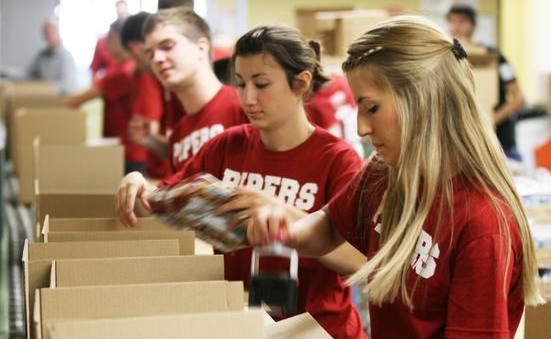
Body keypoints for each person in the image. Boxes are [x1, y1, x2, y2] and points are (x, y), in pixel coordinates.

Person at [247, 16, 542, 339]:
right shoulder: (383, 173)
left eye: (371, 108)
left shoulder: (482, 224)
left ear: (421, 103)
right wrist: (287, 229)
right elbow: (333, 224)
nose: (361, 128)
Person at [117, 25, 369, 339]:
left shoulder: (338, 160)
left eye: (261, 84)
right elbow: (165, 200)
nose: (248, 98)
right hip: (243, 327)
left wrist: (286, 220)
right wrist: (138, 184)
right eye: (240, 83)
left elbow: (361, 261)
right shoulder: (226, 147)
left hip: (318, 330)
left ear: (300, 83)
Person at [140, 8, 248, 172]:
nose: (157, 59)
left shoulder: (245, 106)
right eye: (150, 54)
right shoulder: (178, 135)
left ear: (201, 47)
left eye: (167, 46)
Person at [447, 4, 525, 161]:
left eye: (462, 21)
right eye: (452, 21)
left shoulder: (494, 57)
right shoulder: (447, 58)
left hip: (499, 142)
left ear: (473, 26)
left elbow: (519, 99)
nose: (456, 26)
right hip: (464, 145)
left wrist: (490, 120)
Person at [66, 19, 142, 174]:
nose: (105, 43)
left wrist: (61, 104)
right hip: (117, 144)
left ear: (121, 39)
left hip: (129, 151)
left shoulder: (126, 71)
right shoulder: (117, 65)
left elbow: (84, 96)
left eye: (110, 38)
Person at [121, 12, 172, 179]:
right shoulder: (161, 82)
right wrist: (148, 139)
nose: (157, 59)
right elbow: (177, 149)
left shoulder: (149, 80)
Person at [28, 19, 77, 94]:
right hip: (43, 97)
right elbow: (29, 75)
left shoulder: (66, 57)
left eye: (51, 32)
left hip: (61, 100)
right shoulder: (41, 56)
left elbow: (67, 86)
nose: (48, 36)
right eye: (46, 33)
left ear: (58, 33)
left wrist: (44, 88)